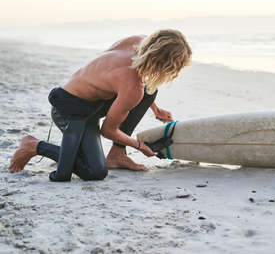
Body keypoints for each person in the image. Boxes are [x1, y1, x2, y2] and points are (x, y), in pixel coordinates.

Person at [9, 29, 192, 181]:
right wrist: (139, 145)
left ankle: (117, 155)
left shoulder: (136, 41)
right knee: (91, 172)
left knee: (150, 91)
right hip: (68, 111)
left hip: (87, 100)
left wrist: (155, 108)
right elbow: (108, 130)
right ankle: (33, 145)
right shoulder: (132, 86)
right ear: (165, 64)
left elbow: (110, 74)